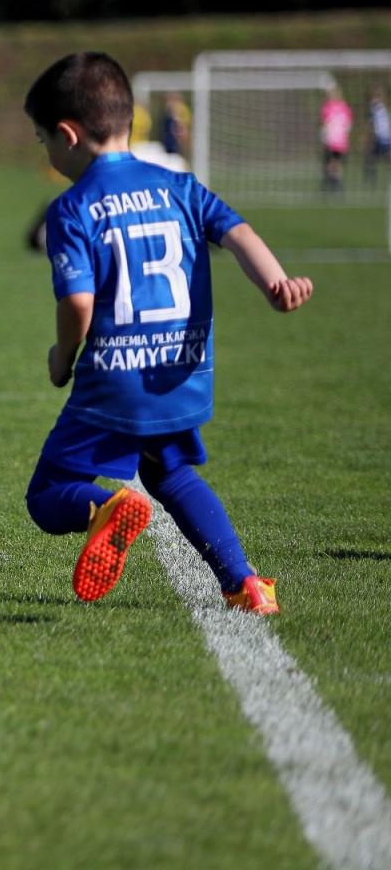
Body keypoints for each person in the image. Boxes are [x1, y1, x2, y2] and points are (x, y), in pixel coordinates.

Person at [22, 52, 313, 614]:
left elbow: (79, 301)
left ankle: (101, 510)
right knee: (169, 470)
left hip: (115, 378)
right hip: (182, 371)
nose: (47, 154)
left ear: (68, 135)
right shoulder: (179, 185)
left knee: (47, 496)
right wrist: (277, 283)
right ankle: (247, 584)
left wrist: (63, 356)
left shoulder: (72, 208)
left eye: (43, 142)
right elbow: (236, 232)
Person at [320, 86, 353, 191]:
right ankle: (334, 186)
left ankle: (334, 186)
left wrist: (343, 133)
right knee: (332, 164)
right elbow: (325, 123)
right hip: (330, 141)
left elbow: (348, 124)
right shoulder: (327, 107)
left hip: (339, 141)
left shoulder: (344, 107)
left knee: (334, 164)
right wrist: (325, 135)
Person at [366, 86, 390, 187]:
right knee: (372, 159)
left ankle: (372, 181)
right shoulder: (379, 108)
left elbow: (371, 123)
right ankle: (372, 181)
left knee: (372, 159)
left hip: (383, 139)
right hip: (382, 139)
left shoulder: (377, 108)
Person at [160, 92, 190, 157]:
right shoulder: (169, 112)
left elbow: (182, 126)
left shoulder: (180, 110)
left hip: (176, 139)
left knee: (177, 155)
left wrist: (181, 136)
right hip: (170, 138)